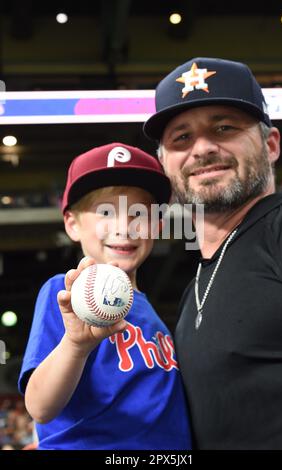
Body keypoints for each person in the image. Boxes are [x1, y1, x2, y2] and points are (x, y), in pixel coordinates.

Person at [143, 57, 282, 449]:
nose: (203, 149)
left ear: (271, 144)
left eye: (224, 127)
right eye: (181, 138)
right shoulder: (194, 287)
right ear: (165, 165)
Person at [18, 142, 192, 450]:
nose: (124, 227)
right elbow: (40, 407)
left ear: (159, 226)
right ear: (72, 224)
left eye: (139, 213)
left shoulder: (154, 313)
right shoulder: (64, 293)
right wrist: (75, 345)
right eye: (106, 212)